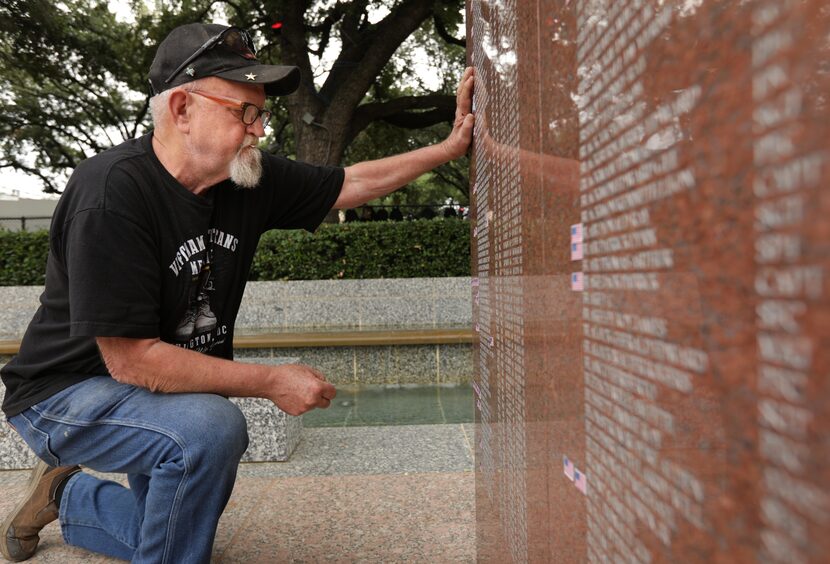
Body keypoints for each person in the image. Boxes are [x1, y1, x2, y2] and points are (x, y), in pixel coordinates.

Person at [0, 22, 474, 563]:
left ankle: (66, 492)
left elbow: (349, 184)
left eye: (262, 113)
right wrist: (272, 380)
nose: (259, 130)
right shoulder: (112, 192)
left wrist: (448, 149)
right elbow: (132, 362)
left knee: (171, 531)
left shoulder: (244, 177)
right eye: (243, 112)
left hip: (158, 392)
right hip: (64, 393)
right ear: (181, 109)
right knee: (210, 428)